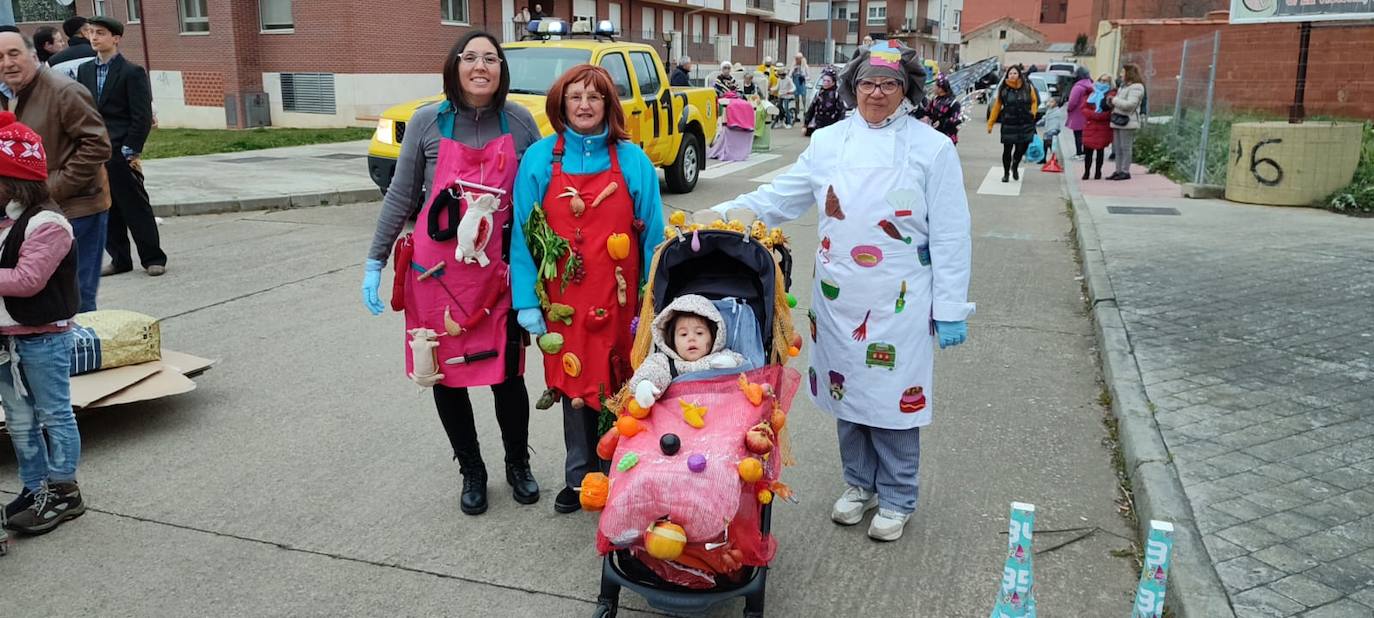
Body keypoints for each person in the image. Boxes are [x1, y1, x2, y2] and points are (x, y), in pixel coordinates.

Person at [710, 41, 974, 542]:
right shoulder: (829, 141)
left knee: (894, 402)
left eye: (890, 83)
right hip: (838, 297)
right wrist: (723, 216)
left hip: (901, 299)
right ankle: (859, 485)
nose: (877, 92)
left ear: (907, 90)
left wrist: (952, 305)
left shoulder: (931, 148)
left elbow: (951, 232)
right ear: (853, 87)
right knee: (846, 393)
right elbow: (780, 197)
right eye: (868, 83)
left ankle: (897, 496)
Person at [362, 31, 544, 516]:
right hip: (435, 276)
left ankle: (517, 464)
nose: (480, 66)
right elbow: (401, 196)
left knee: (507, 376)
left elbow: (541, 196)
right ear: (454, 65)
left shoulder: (522, 122)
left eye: (491, 58)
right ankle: (472, 470)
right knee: (446, 376)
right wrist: (375, 260)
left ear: (502, 70)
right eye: (470, 57)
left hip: (497, 273)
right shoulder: (426, 122)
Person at [510, 65, 665, 515]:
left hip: (622, 304)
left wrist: (654, 299)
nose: (584, 105)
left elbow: (652, 236)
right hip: (565, 305)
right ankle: (580, 479)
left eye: (594, 98)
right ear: (561, 103)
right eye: (575, 96)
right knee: (576, 384)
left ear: (608, 106)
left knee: (623, 383)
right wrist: (526, 302)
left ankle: (622, 470)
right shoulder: (540, 159)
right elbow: (522, 235)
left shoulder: (632, 160)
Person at [0, 112, 85, 536]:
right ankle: (34, 488)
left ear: (12, 180)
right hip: (6, 342)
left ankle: (64, 489)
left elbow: (27, 281)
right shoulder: (4, 220)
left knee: (53, 413)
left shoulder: (47, 223)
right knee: (18, 420)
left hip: (41, 338)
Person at [0, 32, 112, 314]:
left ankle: (79, 355)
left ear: (33, 56)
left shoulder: (63, 91)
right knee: (46, 295)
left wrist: (52, 188)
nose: (7, 63)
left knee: (74, 298)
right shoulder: (11, 97)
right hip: (31, 209)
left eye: (14, 54)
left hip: (77, 208)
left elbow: (97, 146)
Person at [76, 17, 166, 279]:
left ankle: (152, 258)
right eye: (91, 33)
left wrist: (131, 149)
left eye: (100, 33)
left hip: (121, 150)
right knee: (106, 207)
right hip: (94, 151)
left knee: (135, 206)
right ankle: (120, 259)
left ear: (115, 38)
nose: (94, 38)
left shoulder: (131, 72)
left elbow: (141, 116)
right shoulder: (84, 71)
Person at [629, 294, 746, 408]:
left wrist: (732, 364)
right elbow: (653, 370)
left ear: (714, 336)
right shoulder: (666, 362)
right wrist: (645, 383)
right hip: (679, 415)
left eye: (699, 333)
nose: (691, 338)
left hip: (717, 411)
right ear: (672, 339)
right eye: (683, 334)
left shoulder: (720, 356)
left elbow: (744, 366)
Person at [986, 65, 1038, 182]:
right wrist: (991, 123)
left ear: (1019, 74)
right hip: (1009, 123)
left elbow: (1034, 101)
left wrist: (1033, 113)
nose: (1012, 75)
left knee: (1021, 148)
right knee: (1007, 150)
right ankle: (1006, 173)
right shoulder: (1004, 89)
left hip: (1025, 123)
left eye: (1015, 73)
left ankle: (1015, 165)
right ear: (1007, 75)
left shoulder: (1028, 87)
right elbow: (996, 107)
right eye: (1010, 73)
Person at [1108, 64, 1146, 181]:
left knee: (1125, 147)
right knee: (1117, 148)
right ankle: (1118, 170)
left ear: (1129, 74)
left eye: (1123, 72)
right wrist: (1110, 101)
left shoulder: (1137, 87)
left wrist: (1114, 100)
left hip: (1128, 121)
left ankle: (1125, 171)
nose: (1121, 75)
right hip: (1117, 119)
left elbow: (1130, 105)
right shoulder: (1123, 87)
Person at [1080, 76, 1114, 181]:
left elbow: (1109, 113)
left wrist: (1096, 116)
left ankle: (1098, 172)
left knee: (1100, 150)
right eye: (1101, 80)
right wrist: (1092, 115)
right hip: (1090, 126)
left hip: (1102, 127)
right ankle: (1086, 172)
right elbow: (1083, 108)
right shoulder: (1091, 93)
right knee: (1088, 151)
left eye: (1105, 81)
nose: (1102, 83)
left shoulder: (1110, 95)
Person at [803, 66, 844, 137]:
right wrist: (805, 124)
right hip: (819, 124)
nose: (825, 83)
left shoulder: (836, 94)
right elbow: (811, 109)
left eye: (828, 81)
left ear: (833, 82)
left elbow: (841, 111)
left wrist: (840, 127)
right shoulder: (819, 93)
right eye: (824, 80)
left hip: (832, 125)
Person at [922, 76, 962, 144]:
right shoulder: (935, 99)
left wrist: (941, 122)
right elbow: (928, 111)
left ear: (941, 88)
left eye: (935, 86)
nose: (933, 88)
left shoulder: (954, 103)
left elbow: (956, 120)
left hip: (947, 137)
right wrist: (926, 116)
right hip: (934, 135)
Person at [1064, 66, 1092, 159]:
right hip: (1088, 114)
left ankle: (1079, 153)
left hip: (1077, 114)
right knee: (1086, 135)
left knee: (1078, 134)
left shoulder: (1078, 87)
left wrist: (1069, 109)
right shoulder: (1091, 85)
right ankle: (1086, 152)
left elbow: (1072, 102)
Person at [774, 62, 795, 129]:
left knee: (786, 109)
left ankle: (789, 123)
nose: (780, 76)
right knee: (778, 108)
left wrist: (789, 91)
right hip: (780, 96)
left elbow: (793, 87)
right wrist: (771, 89)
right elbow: (777, 87)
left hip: (787, 96)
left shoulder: (789, 79)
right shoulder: (779, 80)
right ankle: (780, 121)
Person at [790, 53, 809, 117]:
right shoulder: (793, 66)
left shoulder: (805, 66)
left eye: (798, 59)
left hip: (802, 84)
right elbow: (789, 75)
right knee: (796, 99)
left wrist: (803, 77)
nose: (797, 60)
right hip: (795, 84)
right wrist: (793, 72)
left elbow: (809, 77)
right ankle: (796, 113)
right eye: (796, 59)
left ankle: (805, 111)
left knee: (804, 99)